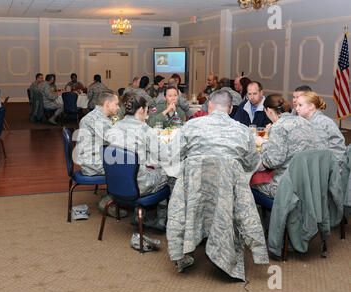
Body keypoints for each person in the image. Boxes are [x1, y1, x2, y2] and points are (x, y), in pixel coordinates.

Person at [167, 90, 262, 272]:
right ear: (231, 109)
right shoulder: (243, 131)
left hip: (196, 192)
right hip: (226, 194)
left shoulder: (191, 126)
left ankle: (186, 249)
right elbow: (252, 164)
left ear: (209, 106)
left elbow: (172, 155)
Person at [105, 91, 169, 232]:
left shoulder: (114, 127)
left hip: (115, 183)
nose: (146, 115)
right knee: (168, 174)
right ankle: (161, 220)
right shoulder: (145, 130)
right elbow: (164, 156)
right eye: (146, 111)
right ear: (140, 110)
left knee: (139, 168)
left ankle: (138, 215)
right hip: (139, 186)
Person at [253, 94, 318, 198]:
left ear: (269, 110)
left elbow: (272, 162)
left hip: (285, 186)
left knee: (247, 181)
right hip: (307, 183)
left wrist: (263, 144)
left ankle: (268, 213)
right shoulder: (305, 122)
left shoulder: (277, 126)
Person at [296, 91, 346, 169]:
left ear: (311, 106)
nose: (296, 108)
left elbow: (320, 154)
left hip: (324, 170)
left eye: (300, 105)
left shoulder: (320, 123)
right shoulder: (306, 121)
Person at [74, 91, 119, 176]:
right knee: (134, 166)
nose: (118, 107)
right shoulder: (99, 120)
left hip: (90, 161)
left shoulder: (95, 115)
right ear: (108, 103)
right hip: (94, 165)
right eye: (116, 104)